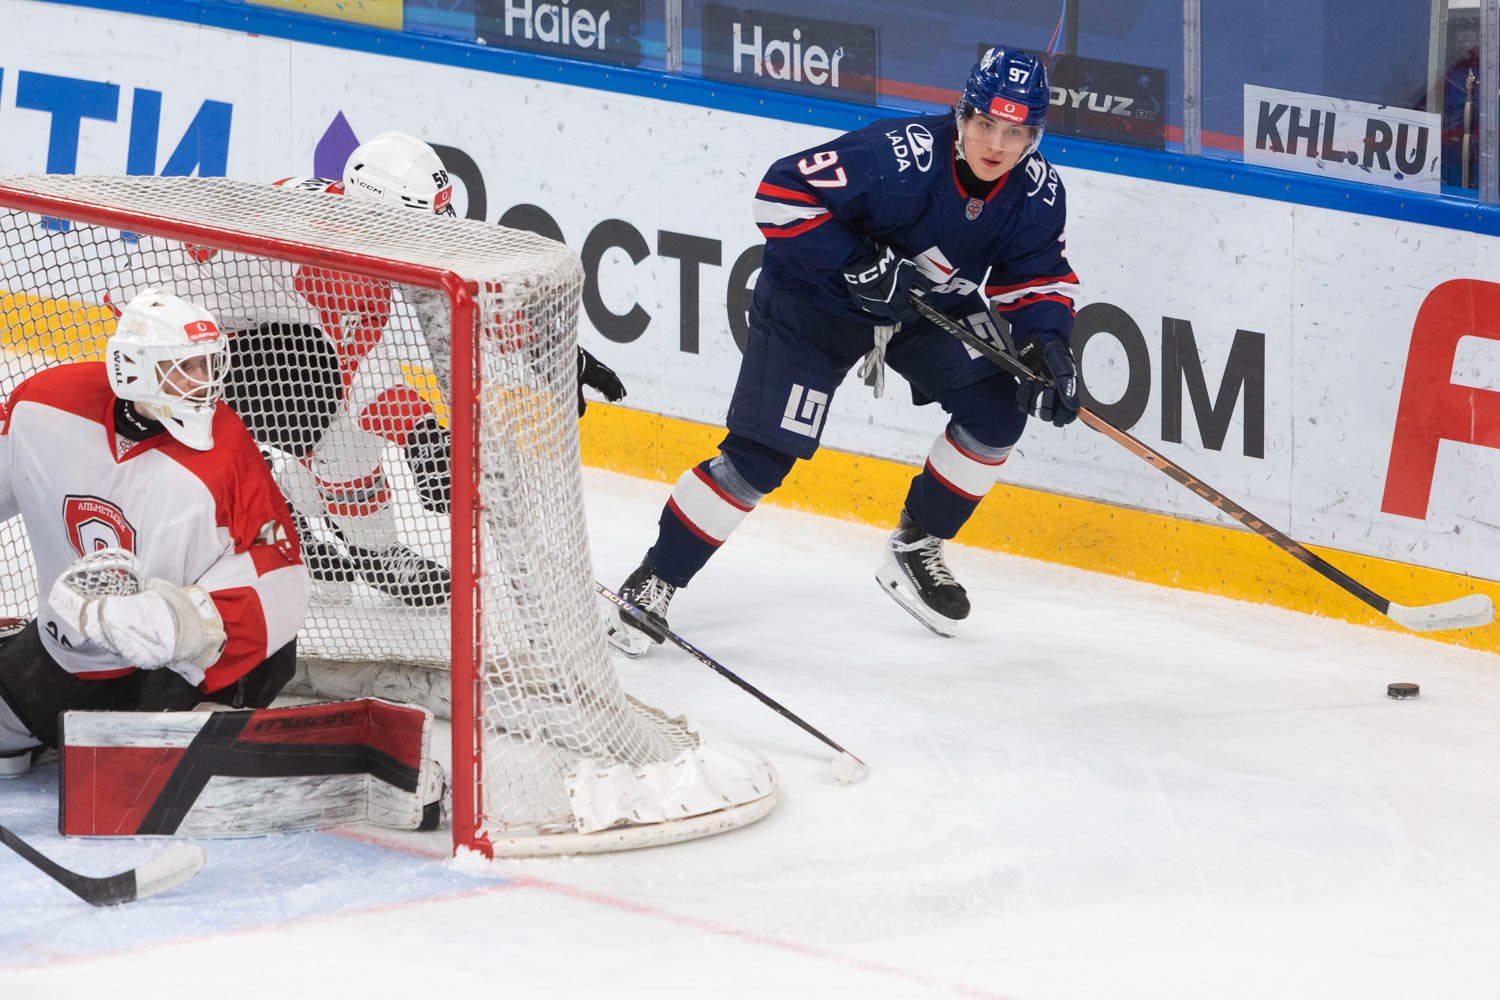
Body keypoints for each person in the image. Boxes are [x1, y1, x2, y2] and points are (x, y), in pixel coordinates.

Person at [608, 45, 1080, 653]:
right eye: (985, 123)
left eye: (1014, 133)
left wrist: (1047, 345)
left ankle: (917, 544)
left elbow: (1037, 279)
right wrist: (855, 262)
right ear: (962, 114)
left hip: (922, 308)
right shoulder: (898, 155)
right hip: (815, 302)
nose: (996, 145)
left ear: (1034, 137)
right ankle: (656, 578)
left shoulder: (1037, 193)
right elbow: (779, 193)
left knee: (996, 411)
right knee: (760, 458)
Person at [109, 131, 626, 607]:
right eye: (417, 225)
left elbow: (458, 291)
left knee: (331, 414)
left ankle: (292, 504)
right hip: (171, 333)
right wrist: (424, 438)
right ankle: (361, 547)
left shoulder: (355, 222)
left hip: (239, 323)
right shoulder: (326, 266)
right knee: (338, 430)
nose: (425, 237)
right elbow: (360, 382)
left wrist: (550, 351)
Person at [0, 288, 311, 777]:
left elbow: (280, 566)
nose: (204, 382)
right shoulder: (44, 405)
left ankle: (196, 732)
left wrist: (180, 622)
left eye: (208, 364)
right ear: (132, 367)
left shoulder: (227, 451)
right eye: (185, 367)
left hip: (176, 669)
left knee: (145, 772)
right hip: (66, 653)